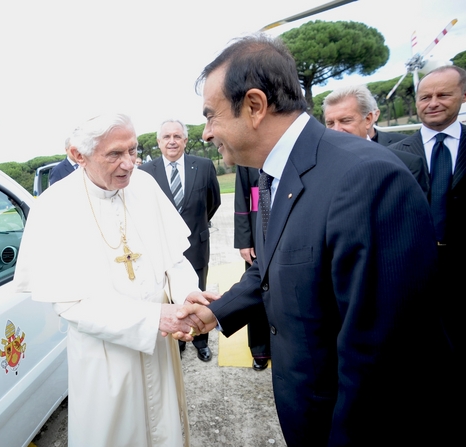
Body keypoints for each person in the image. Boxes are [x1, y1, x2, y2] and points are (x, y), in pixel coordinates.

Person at [176, 34, 453, 446]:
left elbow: (382, 362)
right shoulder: (279, 175)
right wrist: (215, 313)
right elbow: (273, 267)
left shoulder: (366, 178)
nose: (205, 133)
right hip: (305, 411)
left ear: (254, 106)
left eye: (211, 116)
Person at [13, 113, 216, 446]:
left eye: (133, 150)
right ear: (80, 155)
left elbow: (173, 260)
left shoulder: (145, 186)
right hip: (105, 355)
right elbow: (70, 303)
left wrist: (187, 296)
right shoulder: (53, 207)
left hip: (159, 346)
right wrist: (154, 317)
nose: (129, 164)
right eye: (115, 154)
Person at [389, 65, 466, 354]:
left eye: (443, 94)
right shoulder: (394, 154)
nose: (432, 103)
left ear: (463, 96)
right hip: (415, 268)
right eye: (425, 97)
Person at [140, 119, 221, 362]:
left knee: (196, 292)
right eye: (167, 137)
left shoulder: (205, 166)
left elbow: (213, 202)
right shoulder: (145, 173)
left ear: (185, 140)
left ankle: (200, 340)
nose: (172, 141)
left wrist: (195, 226)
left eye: (177, 136)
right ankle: (178, 340)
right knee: (167, 292)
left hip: (196, 244)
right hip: (161, 249)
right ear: (158, 142)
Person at [323, 84, 429, 194]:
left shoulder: (407, 164)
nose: (336, 129)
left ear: (368, 119)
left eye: (345, 121)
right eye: (330, 123)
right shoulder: (319, 166)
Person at [233, 165, 270, 370]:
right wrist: (244, 240)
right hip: (257, 231)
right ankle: (260, 348)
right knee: (256, 288)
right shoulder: (245, 152)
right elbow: (241, 199)